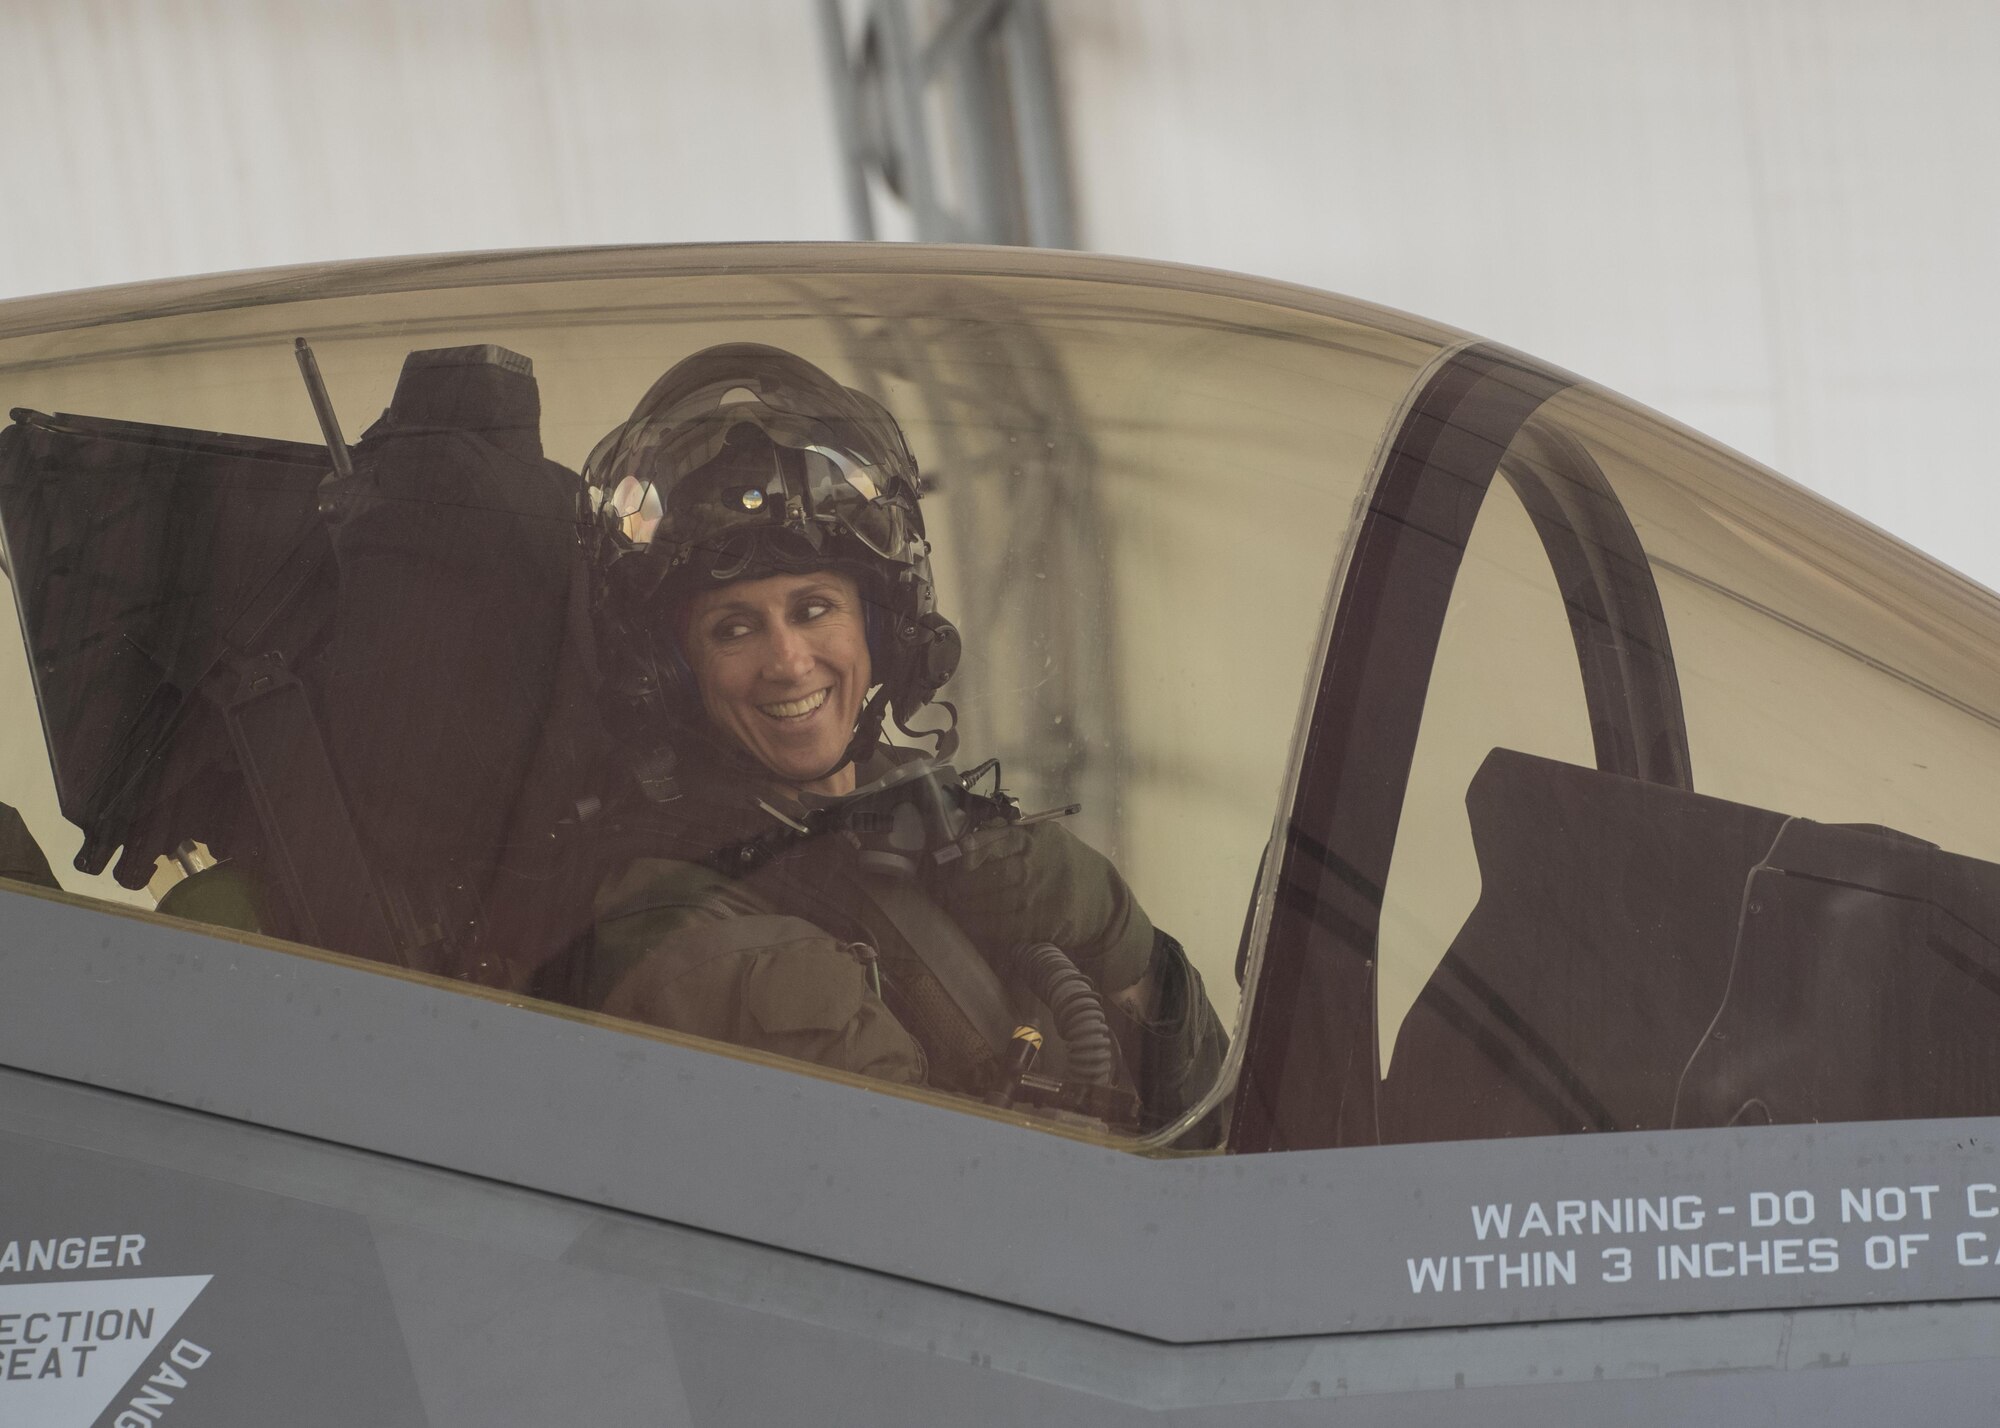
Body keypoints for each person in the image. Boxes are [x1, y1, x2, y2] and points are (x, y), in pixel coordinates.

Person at [562, 343, 1226, 1137]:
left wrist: (1117, 936)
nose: (788, 662)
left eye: (813, 609)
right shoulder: (684, 928)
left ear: (883, 627)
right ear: (670, 673)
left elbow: (1223, 1123)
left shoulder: (918, 819)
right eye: (734, 628)